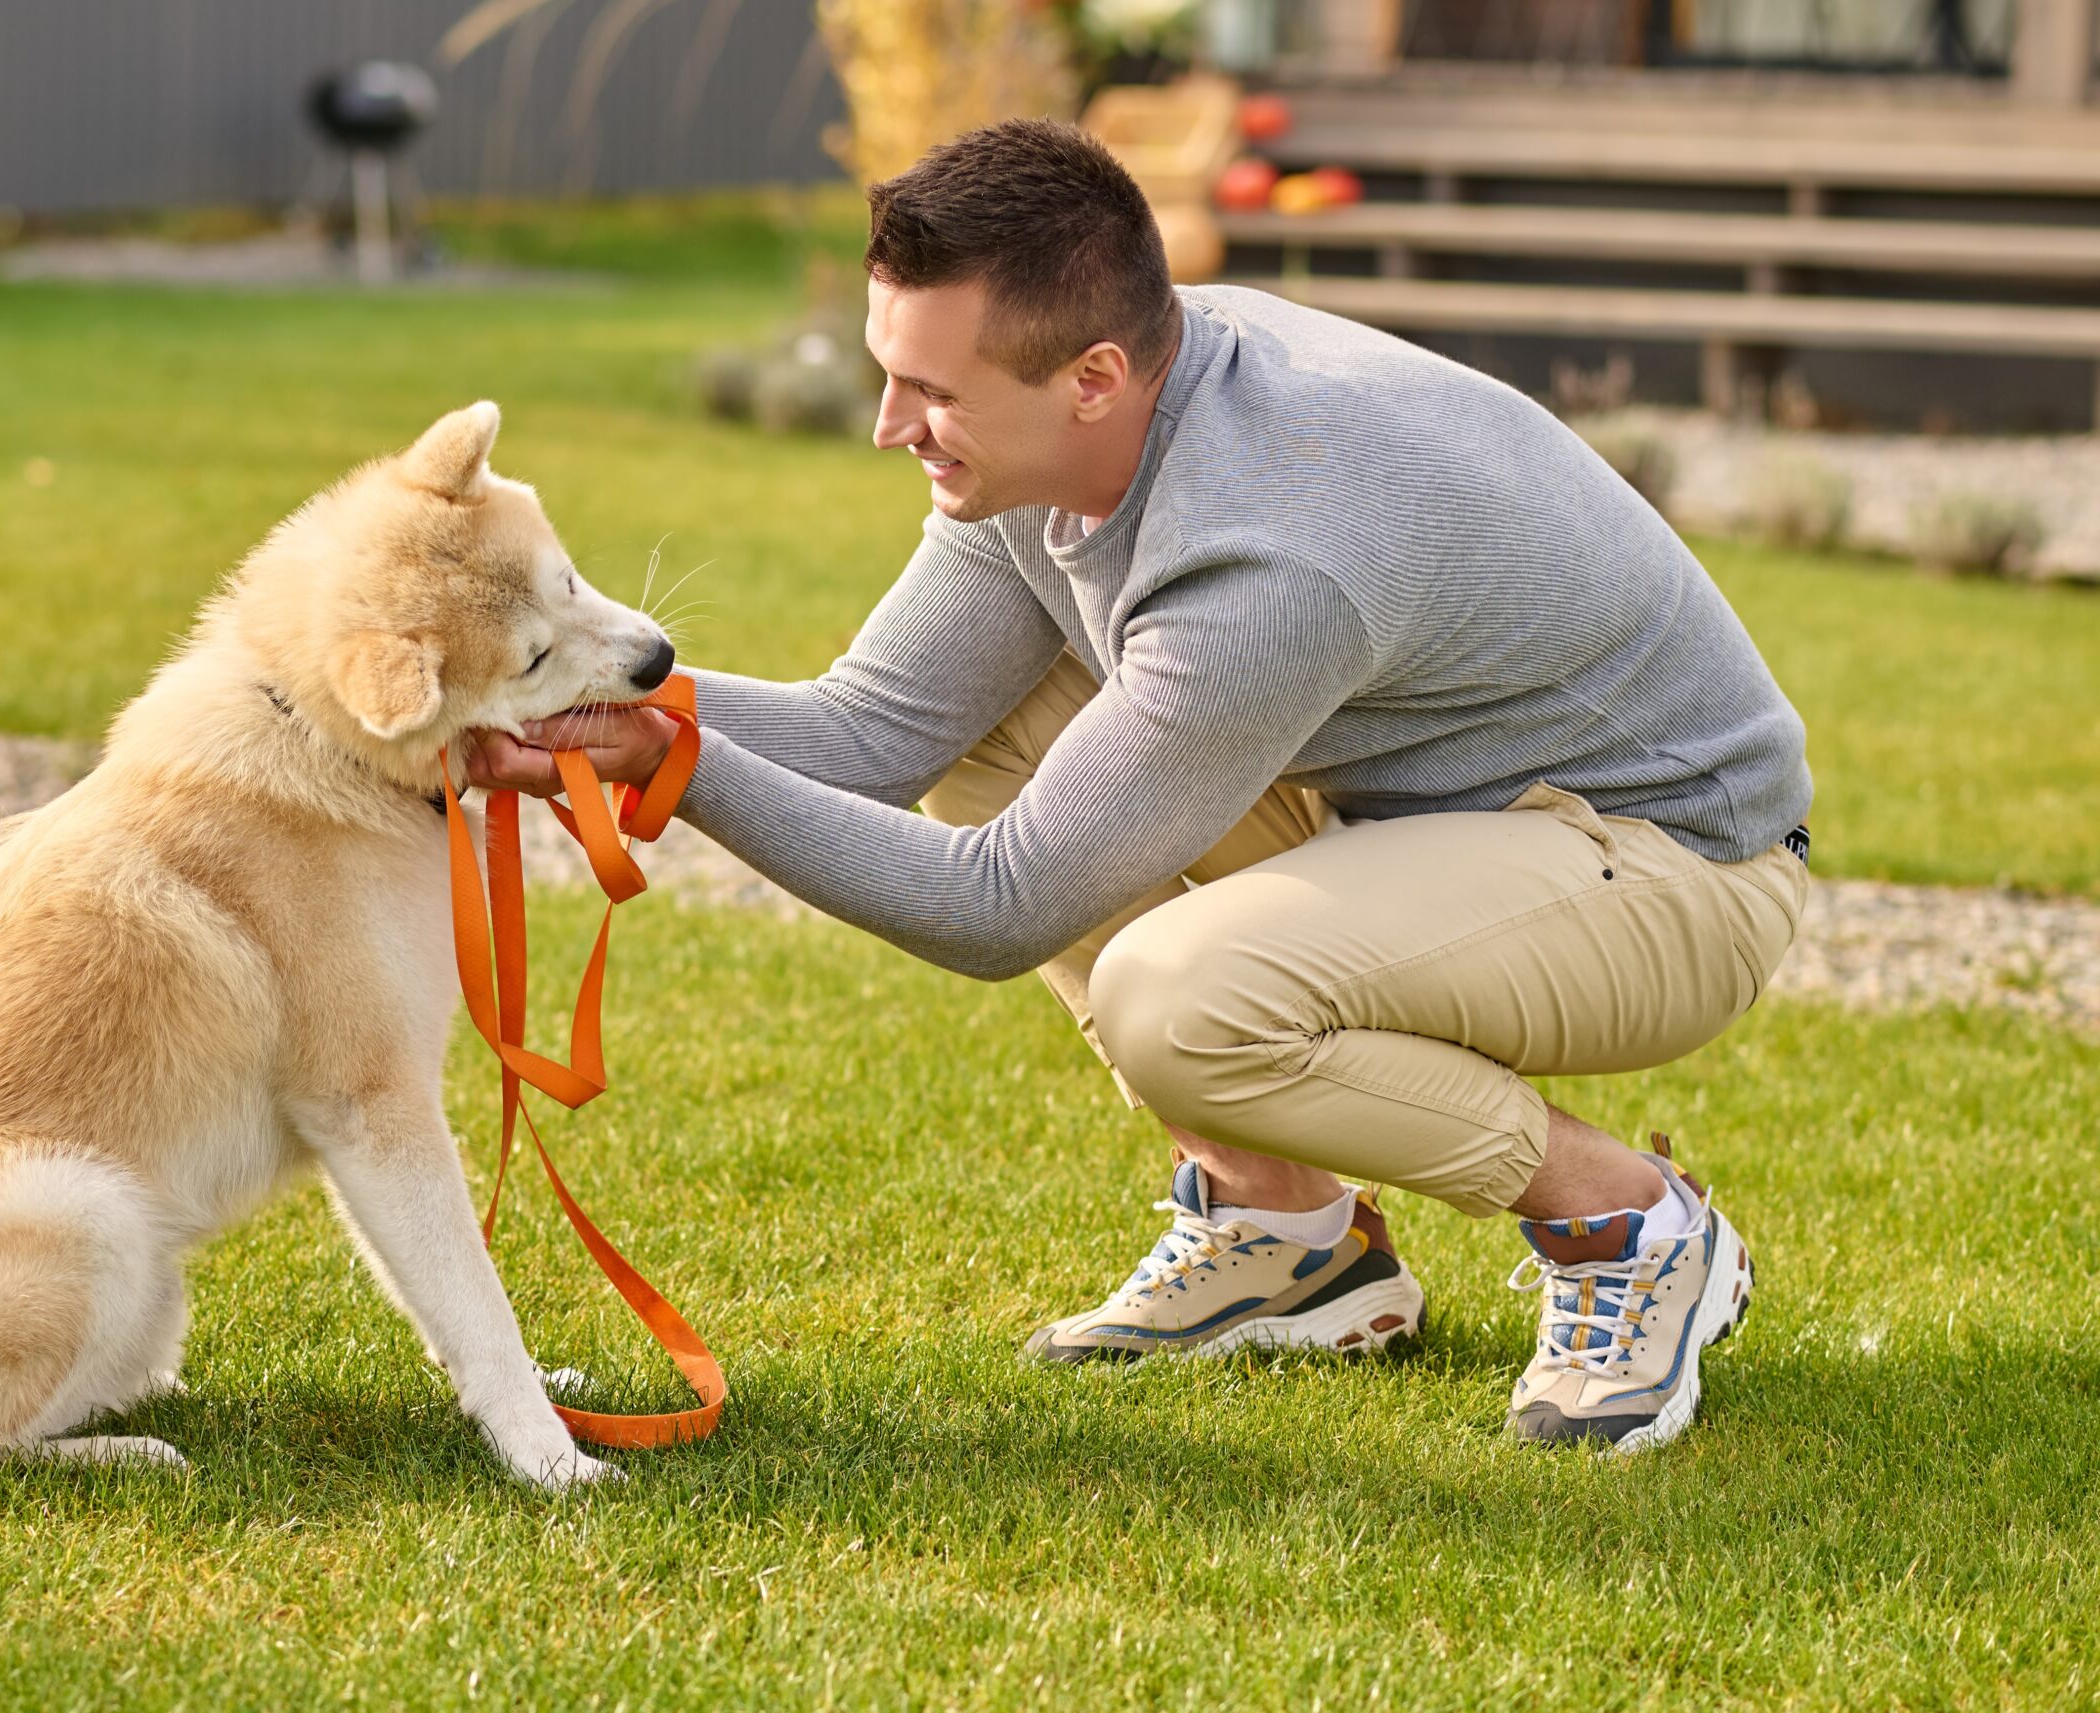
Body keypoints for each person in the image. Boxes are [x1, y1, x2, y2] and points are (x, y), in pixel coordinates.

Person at [466, 118, 1811, 1452]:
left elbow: (998, 907)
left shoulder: (1270, 553)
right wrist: (566, 695)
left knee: (1184, 1003)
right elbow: (873, 731)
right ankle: (1286, 1234)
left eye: (932, 391)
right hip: (1439, 817)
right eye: (889, 373)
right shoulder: (1070, 439)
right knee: (1004, 722)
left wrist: (677, 763)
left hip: (1670, 869)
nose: (889, 426)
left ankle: (1631, 1224)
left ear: (1093, 377)